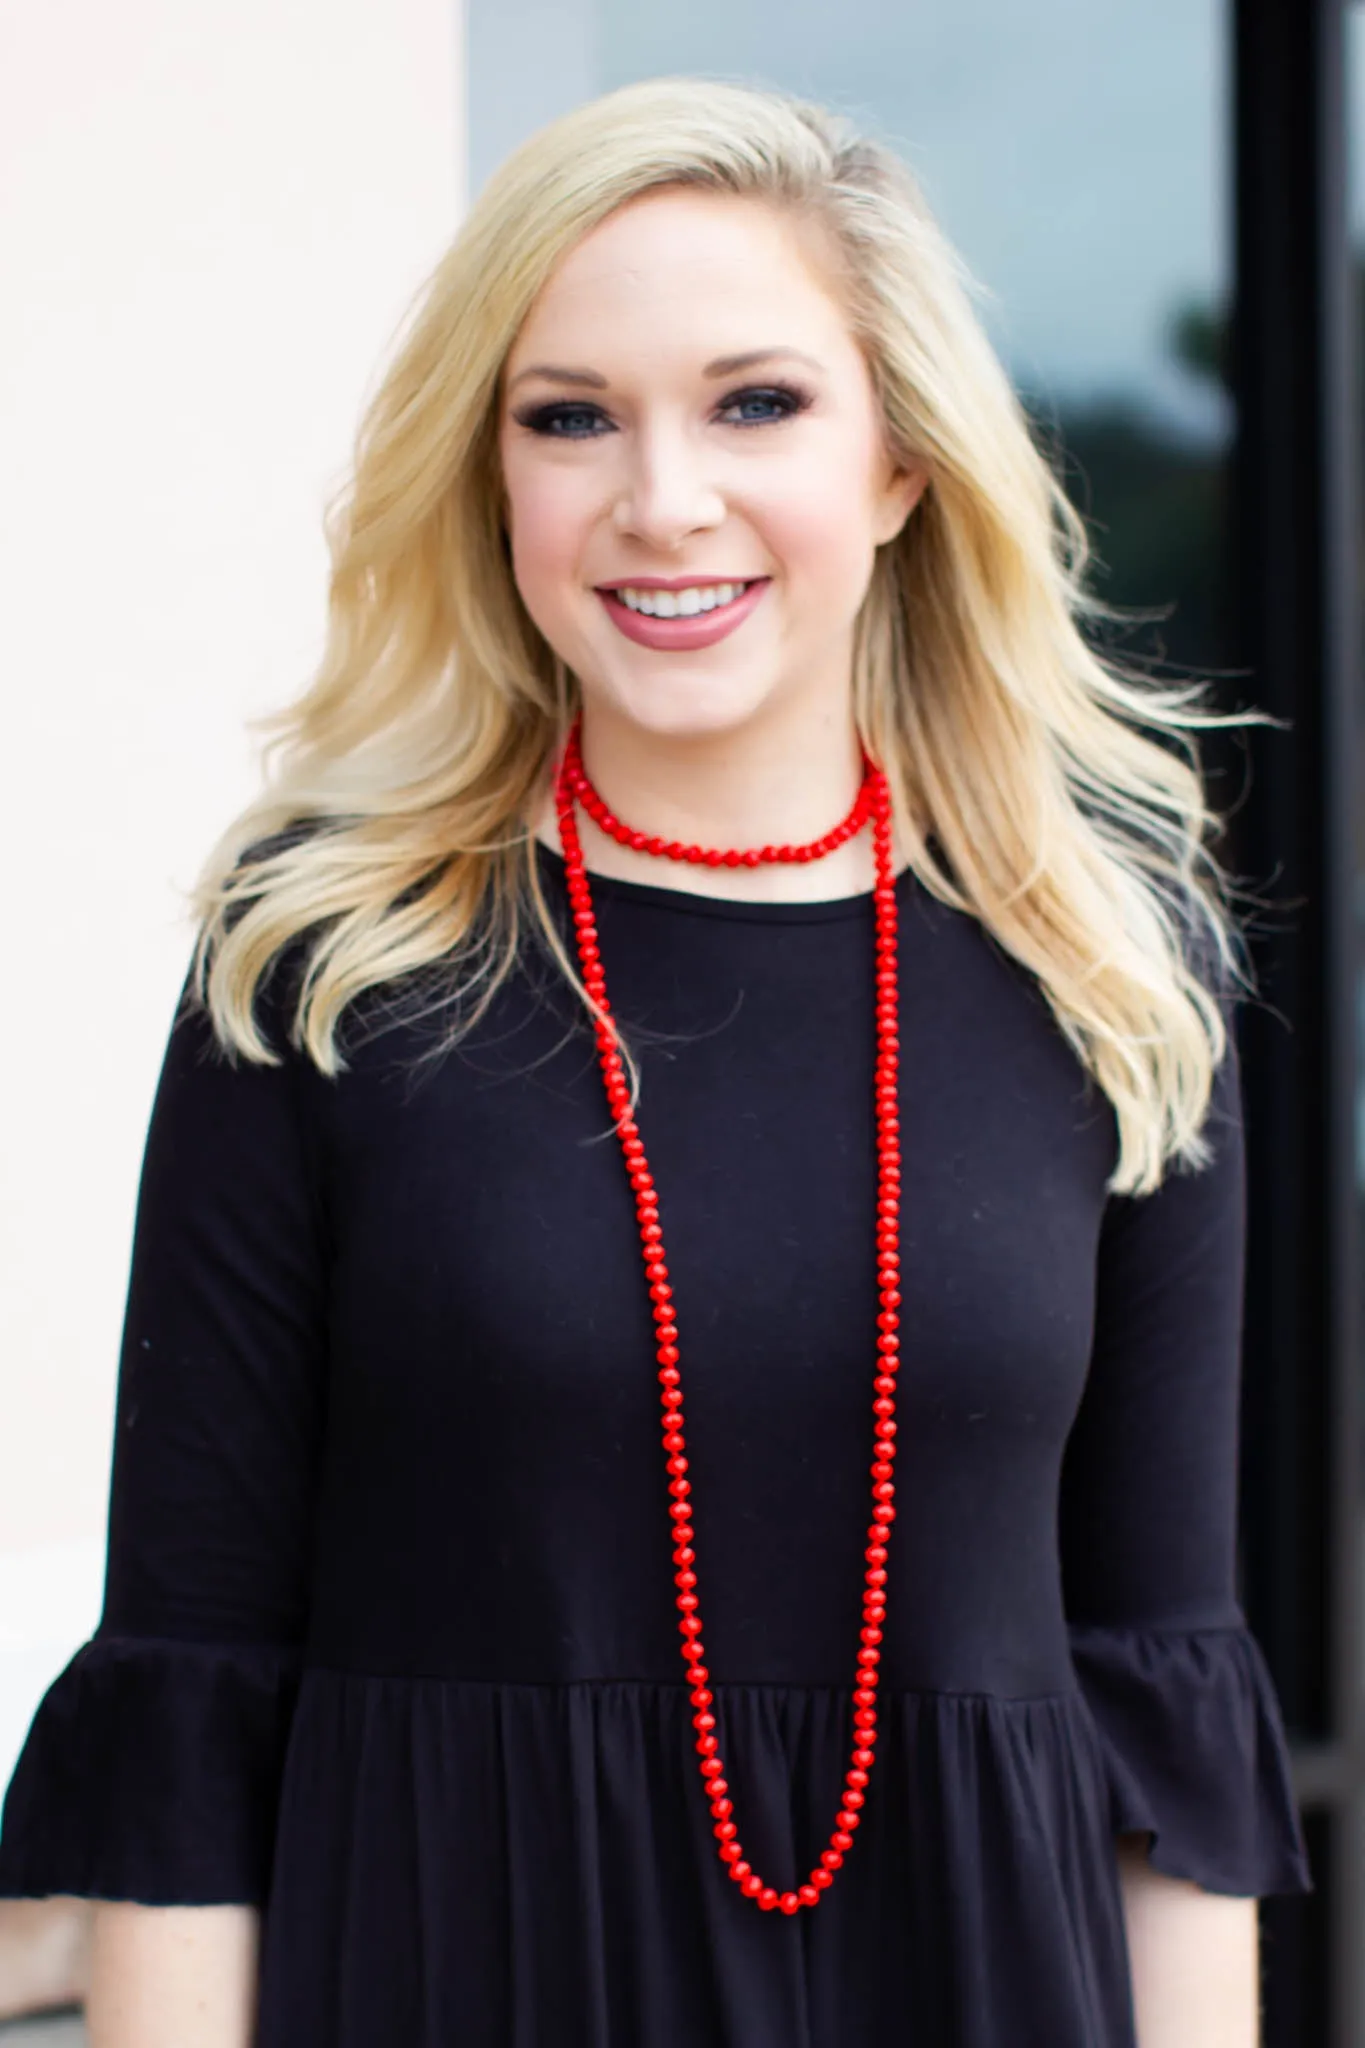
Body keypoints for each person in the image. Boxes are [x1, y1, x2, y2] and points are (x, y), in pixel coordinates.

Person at [0, 74, 1310, 2048]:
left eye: (755, 402)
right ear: (493, 476)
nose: (661, 498)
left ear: (898, 464)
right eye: (570, 417)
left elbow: (1162, 1698)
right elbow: (193, 1692)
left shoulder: (1110, 969)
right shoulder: (325, 953)